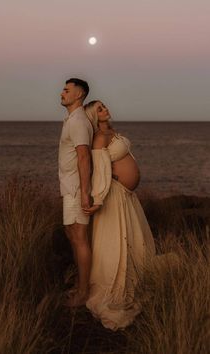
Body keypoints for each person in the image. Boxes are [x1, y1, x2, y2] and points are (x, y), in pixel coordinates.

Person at [83, 100, 156, 330]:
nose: (105, 109)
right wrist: (99, 199)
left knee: (134, 241)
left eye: (104, 106)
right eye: (99, 109)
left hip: (127, 197)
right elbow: (101, 172)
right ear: (94, 116)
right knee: (117, 243)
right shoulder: (99, 137)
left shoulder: (112, 132)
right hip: (114, 197)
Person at [58, 78, 93, 307]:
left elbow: (84, 156)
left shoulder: (79, 120)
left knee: (79, 238)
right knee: (72, 234)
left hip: (76, 188)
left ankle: (83, 293)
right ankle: (80, 285)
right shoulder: (72, 119)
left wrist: (84, 192)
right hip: (69, 187)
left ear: (79, 94)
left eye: (67, 90)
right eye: (63, 89)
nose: (62, 93)